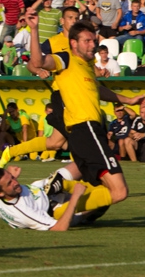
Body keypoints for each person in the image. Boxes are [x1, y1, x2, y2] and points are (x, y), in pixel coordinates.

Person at [27, 14, 139, 211]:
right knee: (119, 192)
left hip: (87, 132)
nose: (92, 45)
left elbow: (98, 90)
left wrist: (128, 100)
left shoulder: (87, 66)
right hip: (86, 128)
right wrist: (34, 30)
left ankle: (54, 195)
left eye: (94, 41)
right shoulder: (66, 59)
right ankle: (56, 208)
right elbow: (38, 61)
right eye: (87, 41)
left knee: (99, 190)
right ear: (74, 43)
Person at [0, 165, 93, 231]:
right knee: (100, 196)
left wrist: (10, 179)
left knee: (83, 162)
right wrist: (75, 197)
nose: (15, 182)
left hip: (45, 187)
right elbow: (59, 228)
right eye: (9, 183)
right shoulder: (24, 213)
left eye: (12, 178)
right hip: (54, 209)